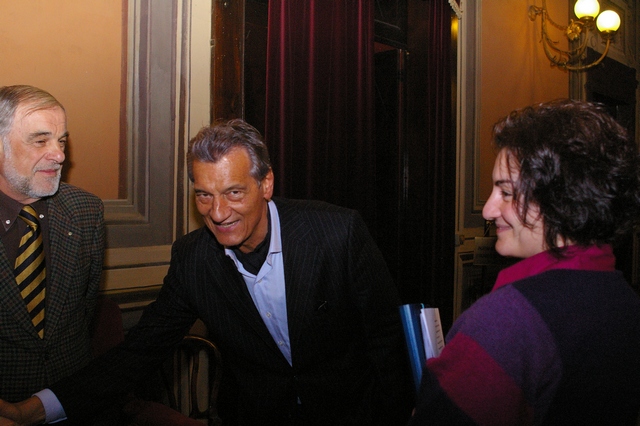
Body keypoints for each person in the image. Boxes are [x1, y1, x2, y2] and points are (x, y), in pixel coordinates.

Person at [0, 118, 412, 425]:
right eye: (204, 195)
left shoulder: (337, 233)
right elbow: (138, 352)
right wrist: (34, 409)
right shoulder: (194, 259)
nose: (217, 213)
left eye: (234, 192)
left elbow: (387, 341)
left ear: (266, 184)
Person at [409, 99, 640, 425]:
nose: (488, 210)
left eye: (505, 192)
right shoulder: (624, 298)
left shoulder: (507, 320)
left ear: (560, 199)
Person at [0, 86, 105, 401]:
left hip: (71, 400)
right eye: (40, 140)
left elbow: (85, 309)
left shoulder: (86, 211)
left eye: (61, 141)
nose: (59, 155)